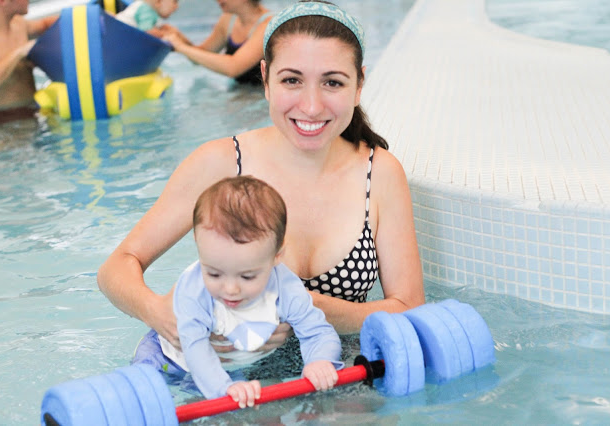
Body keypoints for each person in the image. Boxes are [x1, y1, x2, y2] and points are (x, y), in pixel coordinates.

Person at [98, 0, 424, 354]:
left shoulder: (379, 174)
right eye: (292, 80)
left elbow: (411, 309)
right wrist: (160, 313)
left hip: (339, 375)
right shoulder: (220, 164)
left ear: (359, 86)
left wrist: (313, 311)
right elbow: (116, 267)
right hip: (229, 375)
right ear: (266, 79)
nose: (311, 106)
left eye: (332, 82)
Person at [133, 176, 343, 406]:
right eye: (214, 273)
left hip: (231, 367)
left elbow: (318, 332)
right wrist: (223, 388)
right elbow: (196, 349)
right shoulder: (193, 290)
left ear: (277, 256)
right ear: (198, 244)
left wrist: (320, 360)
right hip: (165, 358)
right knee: (144, 399)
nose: (230, 289)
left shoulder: (286, 288)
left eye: (247, 276)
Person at [0, 0, 57, 125]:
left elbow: (45, 25)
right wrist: (19, 53)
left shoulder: (18, 24)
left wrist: (86, 16)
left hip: (31, 113)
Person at [162, 0, 273, 85]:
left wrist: (180, 47)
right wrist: (178, 36)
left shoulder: (268, 25)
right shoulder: (228, 19)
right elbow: (200, 56)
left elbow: (233, 68)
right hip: (238, 91)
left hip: (261, 98)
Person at [115, 0, 180, 39]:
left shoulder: (151, 12)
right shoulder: (146, 9)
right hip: (117, 32)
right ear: (158, 1)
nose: (177, 7)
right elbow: (147, 30)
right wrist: (167, 35)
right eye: (175, 1)